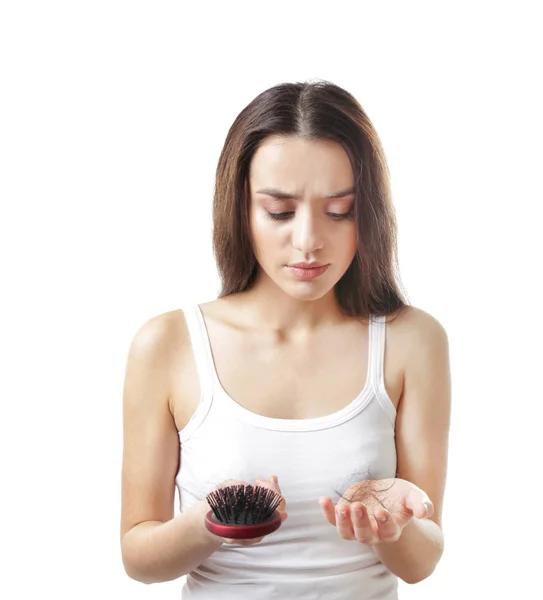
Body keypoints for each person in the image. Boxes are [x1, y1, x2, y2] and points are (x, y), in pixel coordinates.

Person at [120, 80, 451, 599]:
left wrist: (394, 527)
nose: (308, 240)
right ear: (241, 210)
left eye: (339, 211)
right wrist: (210, 522)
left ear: (369, 213)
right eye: (279, 211)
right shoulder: (167, 344)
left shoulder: (413, 341)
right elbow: (138, 557)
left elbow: (424, 558)